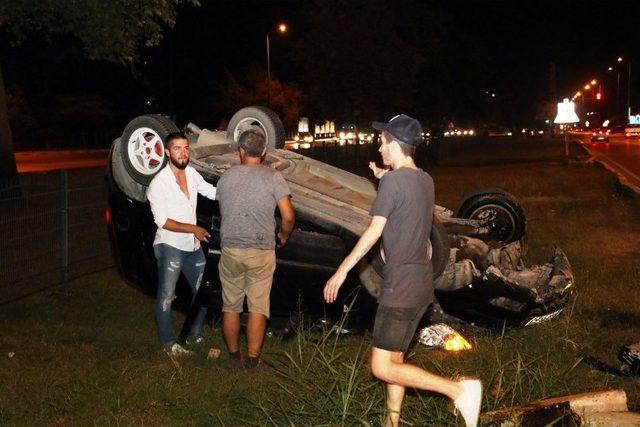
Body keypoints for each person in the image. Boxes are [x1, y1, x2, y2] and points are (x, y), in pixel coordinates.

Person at [323, 114, 482, 427]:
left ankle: (459, 390)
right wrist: (385, 177)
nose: (379, 146)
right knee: (396, 359)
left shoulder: (395, 182)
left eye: (382, 141)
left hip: (400, 287)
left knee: (381, 367)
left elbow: (373, 231)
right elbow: (405, 197)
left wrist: (341, 271)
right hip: (422, 285)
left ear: (394, 144)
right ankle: (392, 422)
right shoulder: (424, 179)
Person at [215, 129, 295, 368]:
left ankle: (232, 356)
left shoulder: (225, 178)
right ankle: (252, 360)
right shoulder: (273, 177)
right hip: (261, 250)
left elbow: (223, 214)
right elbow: (288, 216)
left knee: (230, 305)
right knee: (258, 306)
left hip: (231, 249)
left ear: (240, 151)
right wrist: (282, 235)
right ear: (263, 152)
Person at [147, 131, 217, 356]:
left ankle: (195, 334)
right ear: (167, 152)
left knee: (205, 291)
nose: (183, 152)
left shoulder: (193, 174)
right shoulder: (159, 184)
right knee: (167, 295)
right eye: (177, 148)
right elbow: (162, 221)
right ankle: (168, 345)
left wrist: (236, 187)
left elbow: (213, 193)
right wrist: (194, 229)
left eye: (186, 148)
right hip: (170, 246)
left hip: (193, 247)